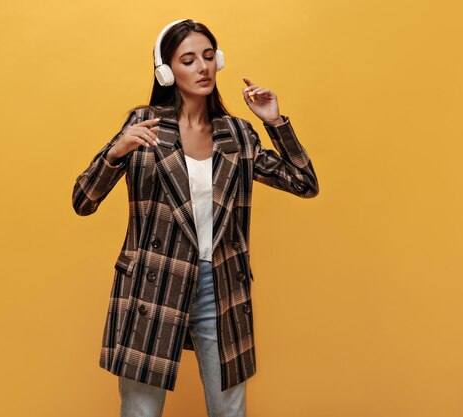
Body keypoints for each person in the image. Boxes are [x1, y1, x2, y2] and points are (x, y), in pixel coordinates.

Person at [72, 18, 319, 417]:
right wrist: (115, 154)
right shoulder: (144, 126)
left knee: (229, 410)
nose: (202, 68)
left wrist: (273, 122)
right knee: (141, 411)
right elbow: (82, 201)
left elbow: (303, 182)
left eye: (208, 57)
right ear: (166, 71)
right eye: (188, 60)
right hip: (154, 284)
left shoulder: (237, 134)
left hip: (218, 283)